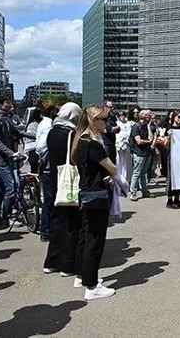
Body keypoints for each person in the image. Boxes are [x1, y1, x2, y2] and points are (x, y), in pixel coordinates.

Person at [71, 104, 118, 300]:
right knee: (95, 240)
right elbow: (113, 168)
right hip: (96, 194)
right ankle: (91, 285)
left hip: (86, 191)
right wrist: (107, 172)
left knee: (85, 235)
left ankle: (83, 275)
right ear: (94, 120)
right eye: (104, 119)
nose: (106, 122)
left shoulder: (80, 141)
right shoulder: (93, 144)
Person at [42, 102, 82, 277]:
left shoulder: (52, 131)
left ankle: (51, 261)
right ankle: (67, 265)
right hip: (69, 181)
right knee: (71, 223)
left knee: (57, 221)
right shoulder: (71, 134)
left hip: (55, 178)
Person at [0, 94, 29, 227]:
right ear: (0, 104)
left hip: (5, 159)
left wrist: (35, 135)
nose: (11, 105)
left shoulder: (5, 119)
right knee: (11, 188)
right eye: (7, 103)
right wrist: (11, 153)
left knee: (0, 190)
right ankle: (6, 217)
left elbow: (16, 132)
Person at [35, 99, 57, 242]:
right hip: (48, 165)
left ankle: (47, 229)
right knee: (50, 199)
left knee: (49, 199)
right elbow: (43, 146)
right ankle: (46, 230)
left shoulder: (43, 123)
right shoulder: (49, 125)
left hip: (44, 165)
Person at [164, 112, 180, 209]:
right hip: (172, 155)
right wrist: (168, 137)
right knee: (171, 177)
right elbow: (165, 144)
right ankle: (169, 200)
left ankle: (177, 199)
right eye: (178, 117)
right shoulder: (169, 128)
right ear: (174, 118)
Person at [129, 110, 154, 201]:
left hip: (147, 153)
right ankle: (133, 192)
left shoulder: (147, 126)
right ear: (143, 116)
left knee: (144, 173)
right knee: (137, 173)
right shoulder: (136, 127)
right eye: (149, 114)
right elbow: (139, 141)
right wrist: (147, 142)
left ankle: (144, 191)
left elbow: (151, 138)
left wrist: (148, 127)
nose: (150, 116)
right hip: (139, 153)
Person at [115, 109, 135, 185]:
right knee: (119, 163)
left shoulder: (129, 123)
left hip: (127, 146)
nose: (122, 116)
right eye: (120, 115)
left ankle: (126, 180)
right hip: (118, 146)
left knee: (127, 164)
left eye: (123, 114)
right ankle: (119, 180)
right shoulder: (116, 123)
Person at [24, 108, 41, 173]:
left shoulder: (33, 124)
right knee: (35, 171)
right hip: (33, 150)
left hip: (34, 150)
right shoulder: (34, 124)